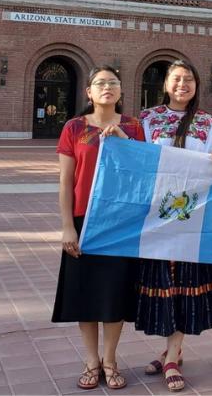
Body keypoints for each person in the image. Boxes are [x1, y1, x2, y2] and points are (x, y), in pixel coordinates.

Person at [52, 65, 145, 390]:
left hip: (120, 223)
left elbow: (141, 175)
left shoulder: (134, 127)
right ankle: (91, 361)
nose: (107, 87)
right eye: (100, 83)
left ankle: (110, 359)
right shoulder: (74, 128)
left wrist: (124, 141)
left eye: (113, 82)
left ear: (120, 92)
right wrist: (67, 227)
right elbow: (66, 181)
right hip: (83, 221)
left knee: (113, 294)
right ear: (88, 92)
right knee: (85, 294)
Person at [136, 60, 212, 392]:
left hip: (193, 217)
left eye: (189, 78)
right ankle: (170, 348)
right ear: (165, 85)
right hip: (156, 217)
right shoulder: (147, 119)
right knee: (163, 284)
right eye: (177, 78)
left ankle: (172, 356)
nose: (183, 84)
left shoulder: (206, 122)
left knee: (184, 284)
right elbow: (139, 159)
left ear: (197, 85)